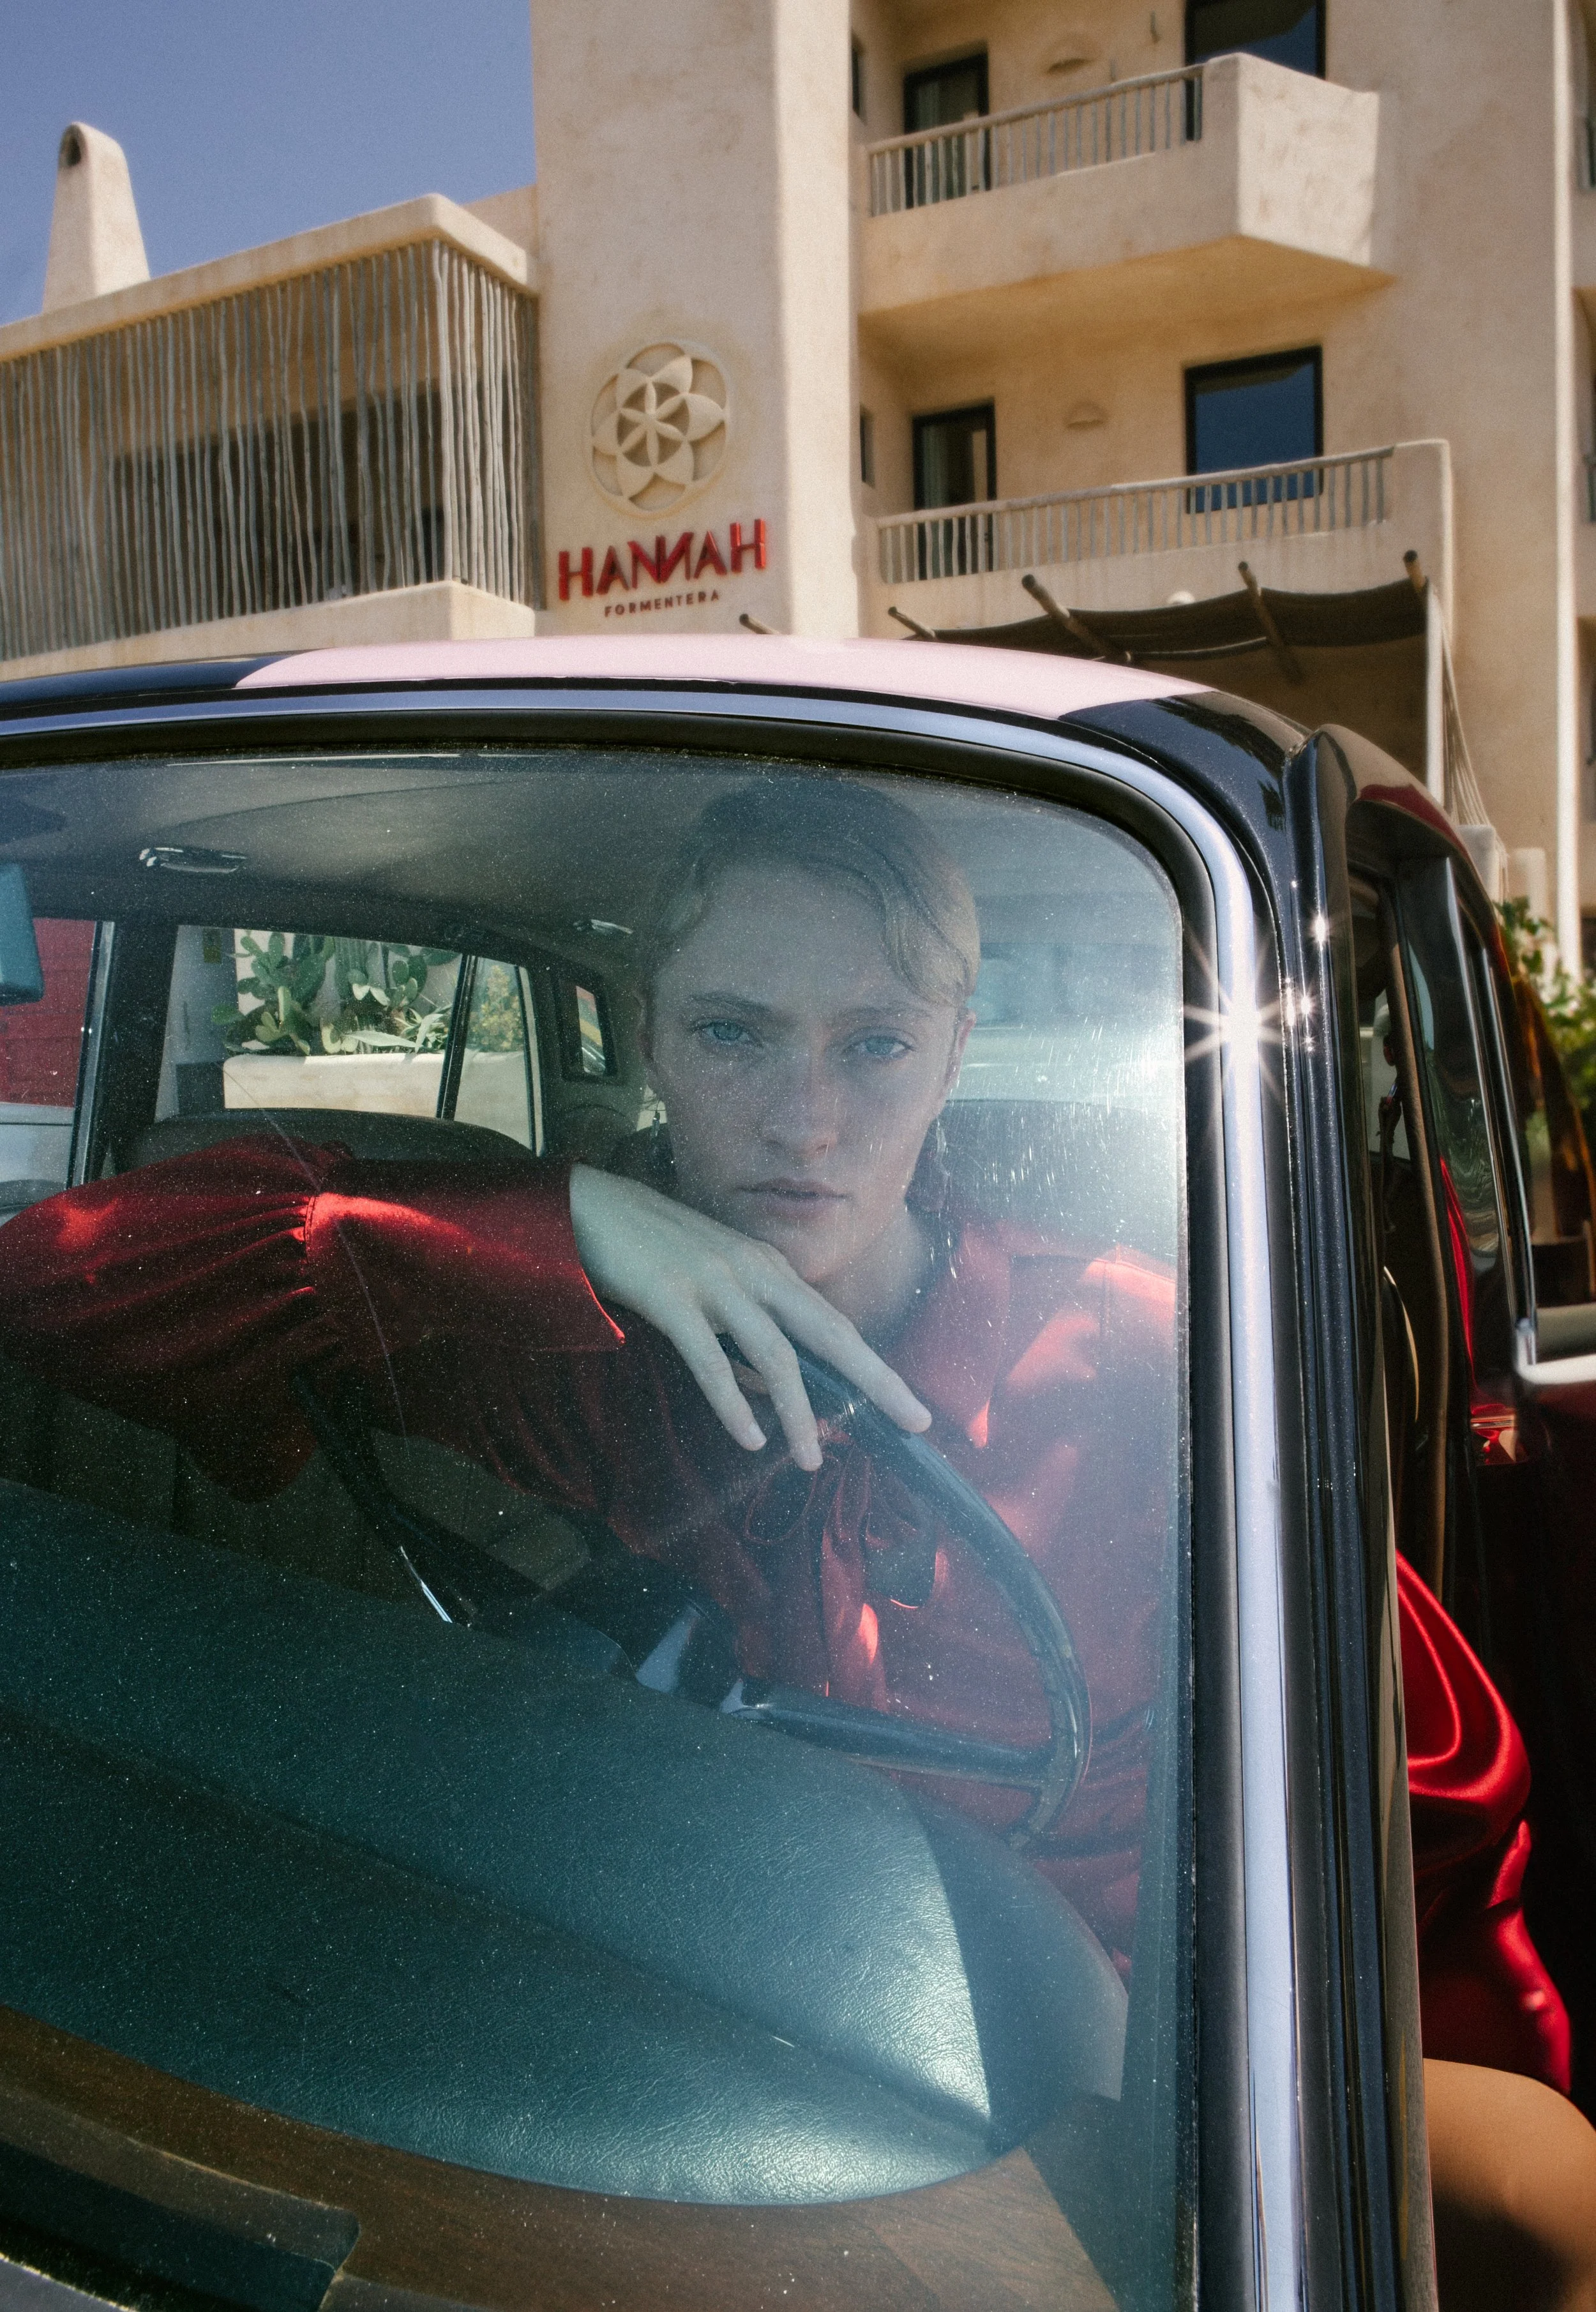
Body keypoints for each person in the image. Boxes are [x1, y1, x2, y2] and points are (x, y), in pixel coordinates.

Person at [0, 780, 1592, 2301]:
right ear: (647, 1041)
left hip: (1121, 2117)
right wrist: (558, 1223)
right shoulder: (561, 1334)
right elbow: (51, 1288)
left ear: (955, 1052)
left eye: (874, 1045)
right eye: (729, 1033)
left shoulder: (1148, 1364)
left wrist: (1235, 2070)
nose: (801, 1122)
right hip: (674, 2074)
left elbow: (1422, 1816)